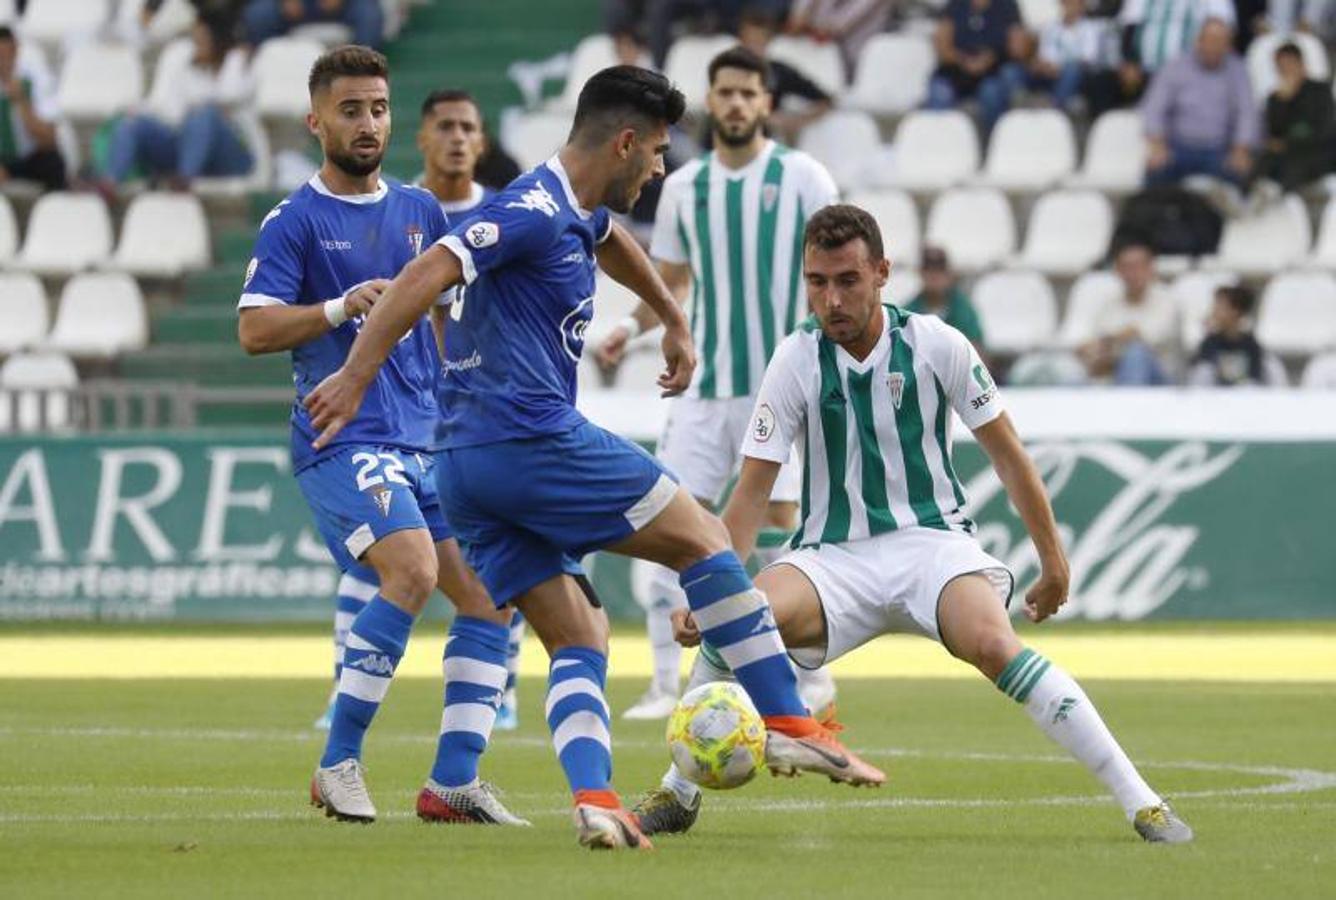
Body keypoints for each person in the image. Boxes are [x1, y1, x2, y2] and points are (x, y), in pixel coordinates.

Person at [303, 64, 884, 851]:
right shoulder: (531, 211)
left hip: (467, 470)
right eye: (655, 154)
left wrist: (675, 321)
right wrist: (354, 373)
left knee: (579, 636)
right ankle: (788, 720)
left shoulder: (573, 209)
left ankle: (596, 802)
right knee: (707, 541)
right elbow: (426, 273)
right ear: (624, 141)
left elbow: (614, 244)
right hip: (532, 441)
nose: (659, 170)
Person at [642, 203, 1194, 845]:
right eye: (817, 282)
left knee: (994, 644)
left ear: (882, 273)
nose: (831, 299)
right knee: (738, 617)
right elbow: (751, 493)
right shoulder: (795, 358)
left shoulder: (937, 345)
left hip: (934, 547)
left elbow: (1009, 457)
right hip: (832, 556)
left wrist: (1054, 560)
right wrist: (716, 592)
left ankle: (1144, 802)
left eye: (847, 279)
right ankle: (678, 794)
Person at [236, 45, 527, 828]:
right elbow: (255, 329)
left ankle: (453, 781)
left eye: (378, 109)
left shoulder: (420, 213)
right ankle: (337, 764)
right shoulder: (294, 220)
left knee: (492, 598)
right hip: (342, 437)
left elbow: (442, 330)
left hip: (425, 438)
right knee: (409, 569)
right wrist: (337, 309)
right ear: (316, 120)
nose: (368, 124)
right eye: (351, 110)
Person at [595, 46, 840, 727]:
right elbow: (669, 284)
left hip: (782, 390)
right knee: (671, 524)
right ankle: (664, 685)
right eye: (725, 92)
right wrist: (631, 330)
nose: (735, 103)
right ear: (713, 101)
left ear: (766, 103)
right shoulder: (685, 186)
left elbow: (838, 272)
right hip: (704, 392)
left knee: (785, 528)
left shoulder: (804, 177)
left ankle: (806, 674)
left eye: (747, 93)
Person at [415, 87, 532, 732]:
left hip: (489, 409)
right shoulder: (403, 213)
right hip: (410, 408)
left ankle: (503, 687)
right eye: (446, 127)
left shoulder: (505, 217)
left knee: (497, 550)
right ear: (423, 139)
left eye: (469, 127)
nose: (458, 138)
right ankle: (341, 685)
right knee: (382, 550)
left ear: (482, 142)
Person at [102, 15, 255, 188]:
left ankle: (184, 179)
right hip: (188, 149)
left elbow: (231, 95)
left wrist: (234, 60)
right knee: (131, 124)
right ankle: (110, 183)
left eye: (203, 39)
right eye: (195, 39)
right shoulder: (187, 66)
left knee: (205, 115)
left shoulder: (237, 63)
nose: (196, 45)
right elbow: (169, 112)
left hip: (230, 157)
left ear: (219, 41)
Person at [1142, 17, 1257, 188]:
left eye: (1220, 41)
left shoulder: (1238, 71)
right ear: (1199, 41)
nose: (1214, 47)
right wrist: (1158, 145)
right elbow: (1154, 109)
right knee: (1155, 175)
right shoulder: (1175, 67)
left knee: (1241, 176)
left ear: (1228, 46)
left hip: (1220, 151)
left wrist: (1240, 150)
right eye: (1210, 40)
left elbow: (1247, 113)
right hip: (1177, 148)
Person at [1072, 239, 1181, 384]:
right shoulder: (1108, 306)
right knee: (1069, 370)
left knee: (1136, 354)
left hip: (1163, 384)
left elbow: (1145, 339)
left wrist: (1109, 342)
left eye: (1137, 267)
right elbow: (1101, 351)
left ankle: (1129, 405)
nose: (1132, 273)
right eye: (1126, 267)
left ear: (1151, 269)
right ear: (1117, 271)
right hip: (1117, 376)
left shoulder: (1168, 302)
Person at [926, 0, 1028, 134]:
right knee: (939, 93)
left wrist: (990, 57)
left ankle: (992, 144)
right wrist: (963, 60)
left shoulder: (1007, 5)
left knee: (992, 93)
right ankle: (941, 145)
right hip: (956, 71)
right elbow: (942, 46)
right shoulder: (954, 6)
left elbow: (1018, 49)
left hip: (992, 72)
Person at [736, 5, 833, 143]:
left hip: (766, 147)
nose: (753, 48)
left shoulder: (779, 72)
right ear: (741, 42)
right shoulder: (725, 71)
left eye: (758, 42)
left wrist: (797, 121)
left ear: (768, 42)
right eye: (749, 42)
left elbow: (825, 100)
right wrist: (767, 118)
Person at [1250, 42, 1335, 199]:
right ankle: (1248, 202)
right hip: (1287, 153)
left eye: (1290, 64)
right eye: (1281, 66)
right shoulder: (1275, 98)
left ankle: (1283, 204)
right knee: (1262, 162)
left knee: (1296, 165)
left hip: (1318, 152)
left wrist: (1288, 143)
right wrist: (1283, 101)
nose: (1286, 70)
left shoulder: (1321, 91)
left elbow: (1325, 130)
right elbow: (1274, 133)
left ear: (1301, 64)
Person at [0, 26, 65, 191]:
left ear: (15, 51)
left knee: (53, 163)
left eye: (5, 55)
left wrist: (21, 102)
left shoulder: (36, 79)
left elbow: (49, 139)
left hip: (32, 156)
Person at [1025, 0, 1114, 113]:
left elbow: (1088, 59)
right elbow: (1045, 56)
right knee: (1022, 70)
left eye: (1073, 2)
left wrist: (1059, 67)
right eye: (1066, 2)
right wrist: (1045, 66)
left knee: (1072, 71)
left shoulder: (1091, 28)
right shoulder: (1050, 28)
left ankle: (1053, 109)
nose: (1069, 6)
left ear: (1082, 6)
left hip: (1080, 77)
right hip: (1050, 74)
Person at [1188, 285, 1287, 386]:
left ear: (1236, 311)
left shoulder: (1251, 346)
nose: (1214, 312)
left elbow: (1253, 381)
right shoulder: (1209, 344)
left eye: (1220, 307)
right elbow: (1200, 379)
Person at [905, 245, 985, 353]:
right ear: (921, 273)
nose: (934, 276)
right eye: (928, 270)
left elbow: (977, 350)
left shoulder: (964, 310)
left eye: (939, 270)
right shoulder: (908, 312)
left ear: (949, 274)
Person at [786, 0, 894, 78]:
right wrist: (799, 16)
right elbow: (797, 18)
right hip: (811, 46)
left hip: (850, 55)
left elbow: (836, 27)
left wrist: (805, 25)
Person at [244, 0, 385, 49]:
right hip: (298, 5)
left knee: (369, 15)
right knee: (260, 14)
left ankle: (363, 70)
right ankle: (266, 69)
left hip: (346, 6)